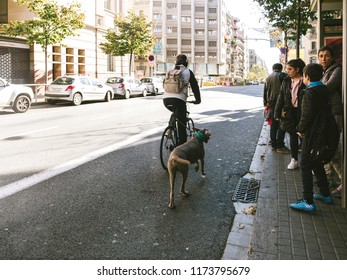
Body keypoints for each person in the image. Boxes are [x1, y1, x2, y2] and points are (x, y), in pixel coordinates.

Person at [290, 63, 333, 212]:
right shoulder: (324, 89)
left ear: (306, 77)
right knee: (316, 162)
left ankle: (307, 201)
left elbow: (306, 115)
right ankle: (325, 194)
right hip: (324, 130)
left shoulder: (309, 92)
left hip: (312, 133)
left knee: (305, 164)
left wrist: (300, 129)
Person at [318, 46, 343, 194]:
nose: (323, 58)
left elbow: (328, 88)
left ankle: (342, 180)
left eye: (326, 55)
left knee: (332, 148)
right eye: (321, 56)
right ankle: (330, 177)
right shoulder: (326, 71)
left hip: (335, 113)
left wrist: (313, 87)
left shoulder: (337, 70)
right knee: (327, 146)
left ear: (332, 57)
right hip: (328, 113)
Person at [275, 59, 306, 170]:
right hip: (289, 112)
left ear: (297, 69)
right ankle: (294, 159)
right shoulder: (286, 80)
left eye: (290, 69)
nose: (287, 71)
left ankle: (307, 162)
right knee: (293, 136)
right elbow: (281, 97)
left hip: (302, 112)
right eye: (287, 69)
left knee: (304, 137)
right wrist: (277, 112)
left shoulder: (305, 80)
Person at [163, 54, 201, 145]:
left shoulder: (170, 71)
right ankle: (181, 148)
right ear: (186, 63)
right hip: (179, 100)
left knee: (175, 113)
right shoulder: (188, 72)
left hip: (166, 100)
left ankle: (170, 127)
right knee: (181, 124)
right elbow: (195, 87)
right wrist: (198, 100)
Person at [263, 63, 289, 153]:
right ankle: (280, 145)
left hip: (271, 103)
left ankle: (273, 143)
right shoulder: (282, 75)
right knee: (281, 124)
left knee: (273, 125)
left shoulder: (268, 77)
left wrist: (265, 101)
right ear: (281, 69)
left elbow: (265, 90)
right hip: (280, 103)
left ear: (273, 68)